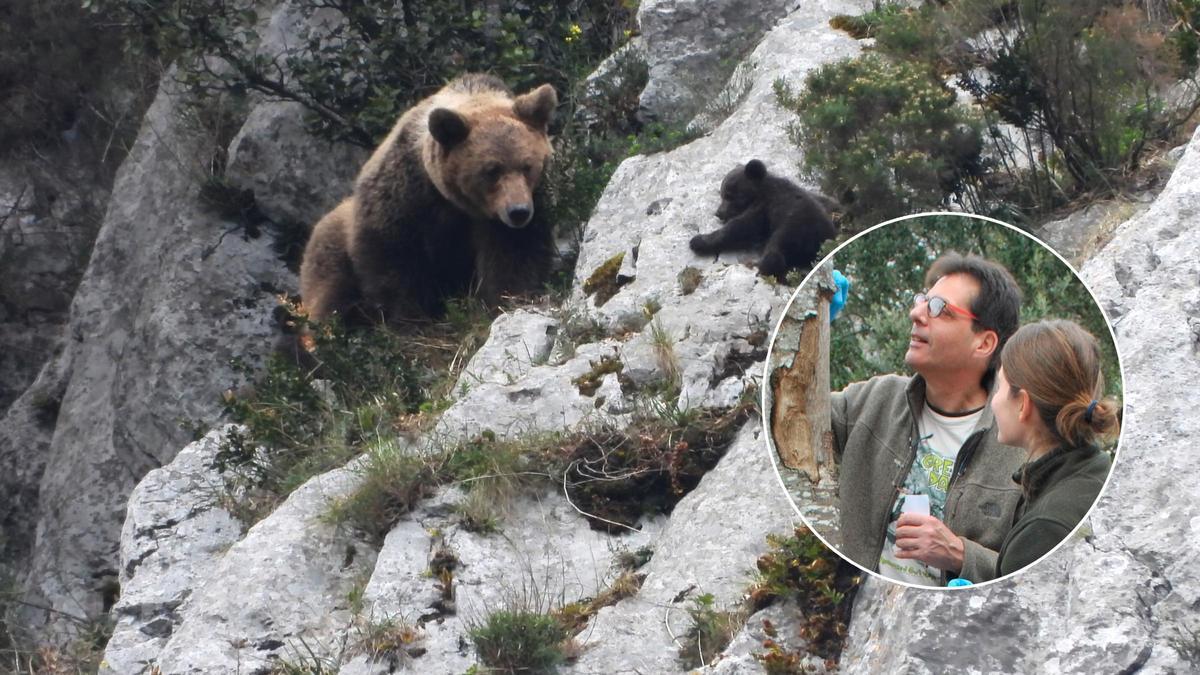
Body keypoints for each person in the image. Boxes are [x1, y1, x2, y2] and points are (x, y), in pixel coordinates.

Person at [830, 252, 1026, 586]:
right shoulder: (873, 401)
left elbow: (1040, 573)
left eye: (939, 308)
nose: (916, 313)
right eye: (922, 300)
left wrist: (960, 555)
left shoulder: (1021, 446)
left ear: (984, 343)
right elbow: (787, 413)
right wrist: (809, 324)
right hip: (850, 609)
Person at [990, 320, 1118, 577]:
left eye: (999, 387)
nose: (994, 401)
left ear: (1022, 404)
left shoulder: (1045, 531)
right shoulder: (1096, 472)